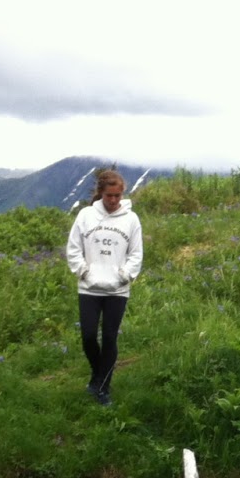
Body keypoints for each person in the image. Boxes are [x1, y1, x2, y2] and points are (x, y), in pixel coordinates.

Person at [65, 169, 143, 404]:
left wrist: (125, 275)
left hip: (117, 290)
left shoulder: (131, 219)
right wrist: (83, 271)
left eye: (118, 196)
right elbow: (73, 248)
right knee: (88, 336)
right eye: (109, 195)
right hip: (89, 288)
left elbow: (136, 253)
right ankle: (98, 374)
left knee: (110, 338)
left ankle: (102, 388)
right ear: (101, 193)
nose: (113, 201)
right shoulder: (86, 215)